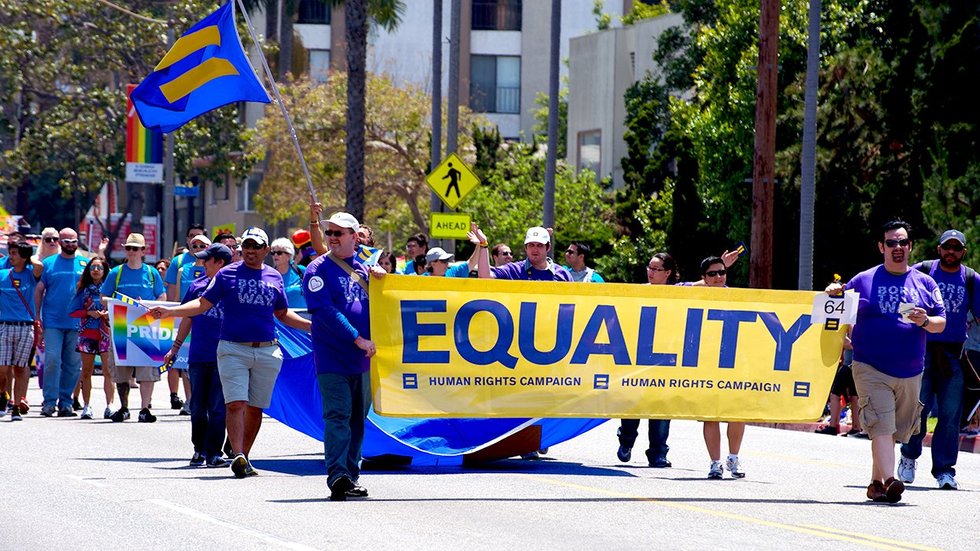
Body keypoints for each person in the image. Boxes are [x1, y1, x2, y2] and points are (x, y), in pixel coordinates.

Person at [149, 228, 311, 479]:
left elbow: (282, 314)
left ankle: (244, 455)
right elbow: (203, 304)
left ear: (265, 250)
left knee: (255, 409)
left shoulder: (274, 277)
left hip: (267, 350)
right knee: (235, 403)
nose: (250, 250)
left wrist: (312, 326)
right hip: (232, 349)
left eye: (256, 246)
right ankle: (237, 454)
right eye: (246, 245)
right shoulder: (226, 274)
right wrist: (172, 312)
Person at [827, 220, 946, 503]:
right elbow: (834, 311)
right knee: (881, 424)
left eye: (902, 242)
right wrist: (832, 292)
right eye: (891, 242)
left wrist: (926, 320)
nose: (897, 247)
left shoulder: (925, 283)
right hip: (869, 366)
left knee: (894, 430)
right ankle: (892, 480)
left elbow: (941, 322)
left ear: (910, 247)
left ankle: (876, 483)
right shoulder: (862, 280)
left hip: (910, 370)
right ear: (881, 247)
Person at [302, 212, 385, 500]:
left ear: (354, 237)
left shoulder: (365, 270)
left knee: (358, 420)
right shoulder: (317, 270)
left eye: (340, 233)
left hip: (363, 361)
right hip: (332, 358)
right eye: (330, 233)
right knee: (338, 416)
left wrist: (384, 284)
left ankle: (351, 474)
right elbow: (325, 312)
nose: (333, 237)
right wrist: (356, 338)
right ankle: (337, 474)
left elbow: (386, 307)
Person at [897, 229, 980, 490]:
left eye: (956, 248)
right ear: (939, 249)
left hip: (953, 355)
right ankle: (909, 456)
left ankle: (945, 469)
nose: (951, 252)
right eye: (947, 247)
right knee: (916, 409)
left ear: (963, 252)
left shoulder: (971, 279)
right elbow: (902, 303)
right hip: (921, 350)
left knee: (950, 414)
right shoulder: (921, 271)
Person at [164, 243, 234, 468]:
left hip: (224, 356)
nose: (202, 263)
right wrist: (175, 348)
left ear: (220, 263)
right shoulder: (196, 286)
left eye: (207, 259)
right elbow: (187, 318)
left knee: (217, 407)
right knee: (197, 406)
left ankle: (214, 452)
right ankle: (198, 449)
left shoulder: (233, 287)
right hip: (198, 355)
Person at [679, 256, 748, 479]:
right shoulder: (694, 293)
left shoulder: (735, 296)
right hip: (704, 361)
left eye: (722, 273)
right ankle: (715, 463)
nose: (718, 277)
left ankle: (733, 458)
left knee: (737, 412)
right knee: (711, 414)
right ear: (703, 278)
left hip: (733, 361)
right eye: (712, 274)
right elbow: (676, 288)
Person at [617, 252, 676, 467]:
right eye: (649, 268)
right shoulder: (638, 292)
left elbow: (702, 284)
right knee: (633, 404)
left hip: (667, 358)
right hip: (638, 356)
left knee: (661, 407)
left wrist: (721, 266)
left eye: (656, 269)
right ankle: (626, 440)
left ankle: (658, 453)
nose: (651, 272)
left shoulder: (679, 294)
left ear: (668, 273)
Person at [101, 233, 166, 423]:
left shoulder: (152, 273)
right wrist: (124, 302)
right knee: (122, 370)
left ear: (143, 251)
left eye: (135, 248)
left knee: (147, 370)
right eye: (128, 248)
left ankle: (145, 408)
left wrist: (146, 304)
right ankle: (124, 407)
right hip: (122, 325)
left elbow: (161, 297)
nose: (131, 251)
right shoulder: (116, 272)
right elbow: (103, 298)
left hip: (146, 328)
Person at [35, 228, 88, 418]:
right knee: (52, 361)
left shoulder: (84, 263)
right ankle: (49, 402)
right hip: (53, 322)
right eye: (66, 241)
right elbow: (38, 291)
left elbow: (94, 289)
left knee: (73, 364)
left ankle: (66, 402)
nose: (70, 245)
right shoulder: (48, 264)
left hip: (77, 323)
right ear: (59, 242)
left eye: (74, 241)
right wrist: (37, 317)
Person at [0, 241, 43, 421]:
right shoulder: (2, 274)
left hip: (25, 327)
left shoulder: (30, 275)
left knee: (20, 368)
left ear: (24, 257)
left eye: (15, 253)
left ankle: (17, 405)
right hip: (4, 325)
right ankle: (3, 395)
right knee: (2, 367)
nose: (11, 256)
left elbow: (39, 266)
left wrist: (28, 255)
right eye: (10, 252)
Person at [68, 257, 114, 420]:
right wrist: (88, 313)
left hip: (106, 334)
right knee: (86, 372)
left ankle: (110, 406)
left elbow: (119, 308)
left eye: (99, 267)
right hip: (87, 334)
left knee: (108, 372)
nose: (95, 270)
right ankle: (86, 406)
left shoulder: (109, 290)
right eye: (92, 267)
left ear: (104, 271)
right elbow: (72, 311)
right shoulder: (82, 289)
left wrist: (108, 313)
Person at [477, 226, 573, 282]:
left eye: (539, 245)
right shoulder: (514, 270)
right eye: (531, 245)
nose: (535, 249)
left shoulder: (563, 275)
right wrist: (483, 244)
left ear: (548, 247)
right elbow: (485, 276)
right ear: (525, 248)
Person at [814, 344, 865, 437]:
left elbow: (852, 344)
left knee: (838, 394)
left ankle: (835, 426)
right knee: (853, 396)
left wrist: (840, 341)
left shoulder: (853, 328)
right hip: (852, 364)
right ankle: (854, 427)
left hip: (850, 365)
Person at [164, 224, 206, 301]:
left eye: (198, 235)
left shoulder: (213, 263)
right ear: (187, 240)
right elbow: (172, 292)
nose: (195, 238)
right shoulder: (178, 261)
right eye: (192, 235)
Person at [270, 237, 306, 308]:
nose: (275, 255)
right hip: (278, 318)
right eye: (273, 253)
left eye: (279, 253)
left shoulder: (301, 271)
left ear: (289, 255)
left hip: (302, 316)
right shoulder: (270, 275)